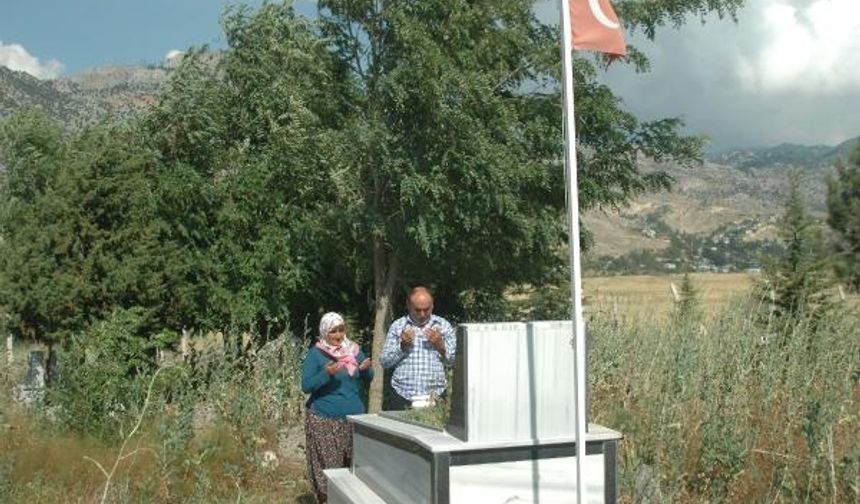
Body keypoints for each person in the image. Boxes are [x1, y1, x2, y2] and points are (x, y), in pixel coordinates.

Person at [302, 312, 373, 503]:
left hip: (353, 419)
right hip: (324, 420)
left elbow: (367, 377)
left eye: (341, 330)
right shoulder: (316, 355)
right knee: (330, 471)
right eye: (333, 331)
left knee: (354, 470)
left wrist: (366, 370)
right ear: (325, 332)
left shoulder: (354, 350)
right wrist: (326, 374)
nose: (338, 335)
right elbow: (306, 385)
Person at [380, 286, 456, 410]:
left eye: (426, 310)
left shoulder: (443, 326)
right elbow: (384, 362)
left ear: (432, 306)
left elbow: (455, 362)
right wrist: (402, 347)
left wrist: (441, 346)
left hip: (435, 396)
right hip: (402, 396)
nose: (422, 314)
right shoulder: (398, 326)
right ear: (408, 305)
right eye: (417, 310)